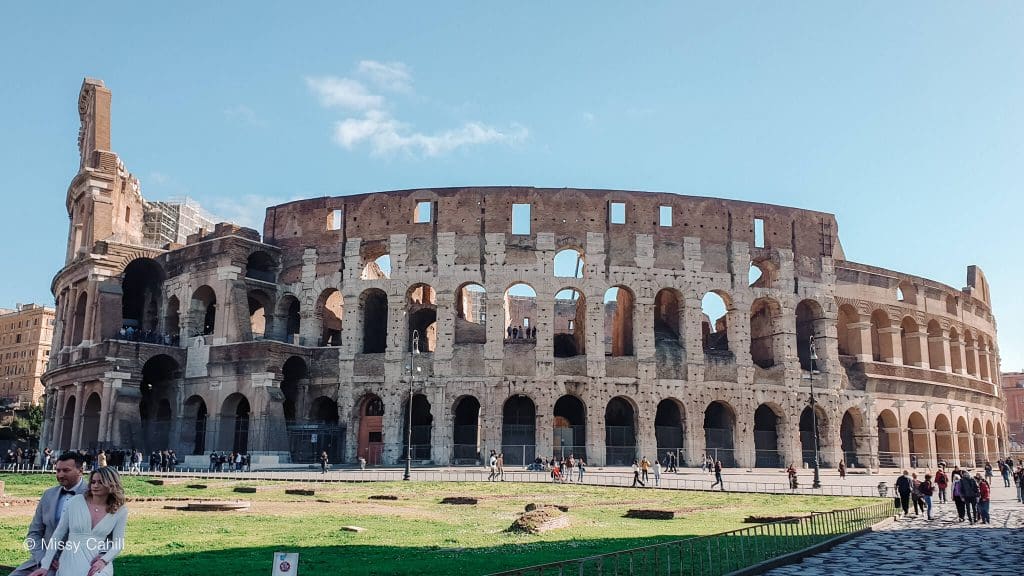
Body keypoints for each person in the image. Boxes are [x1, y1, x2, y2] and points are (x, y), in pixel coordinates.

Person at [29, 467, 128, 576]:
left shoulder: (120, 510)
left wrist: (104, 560)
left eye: (100, 482)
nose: (95, 485)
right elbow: (58, 535)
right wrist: (45, 566)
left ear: (111, 484)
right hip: (71, 561)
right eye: (93, 482)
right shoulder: (76, 501)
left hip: (97, 564)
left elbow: (118, 543)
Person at [10, 453, 90, 576]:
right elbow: (34, 533)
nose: (60, 475)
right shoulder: (48, 495)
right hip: (42, 561)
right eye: (58, 470)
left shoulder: (93, 496)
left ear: (81, 471)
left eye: (66, 470)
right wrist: (44, 558)